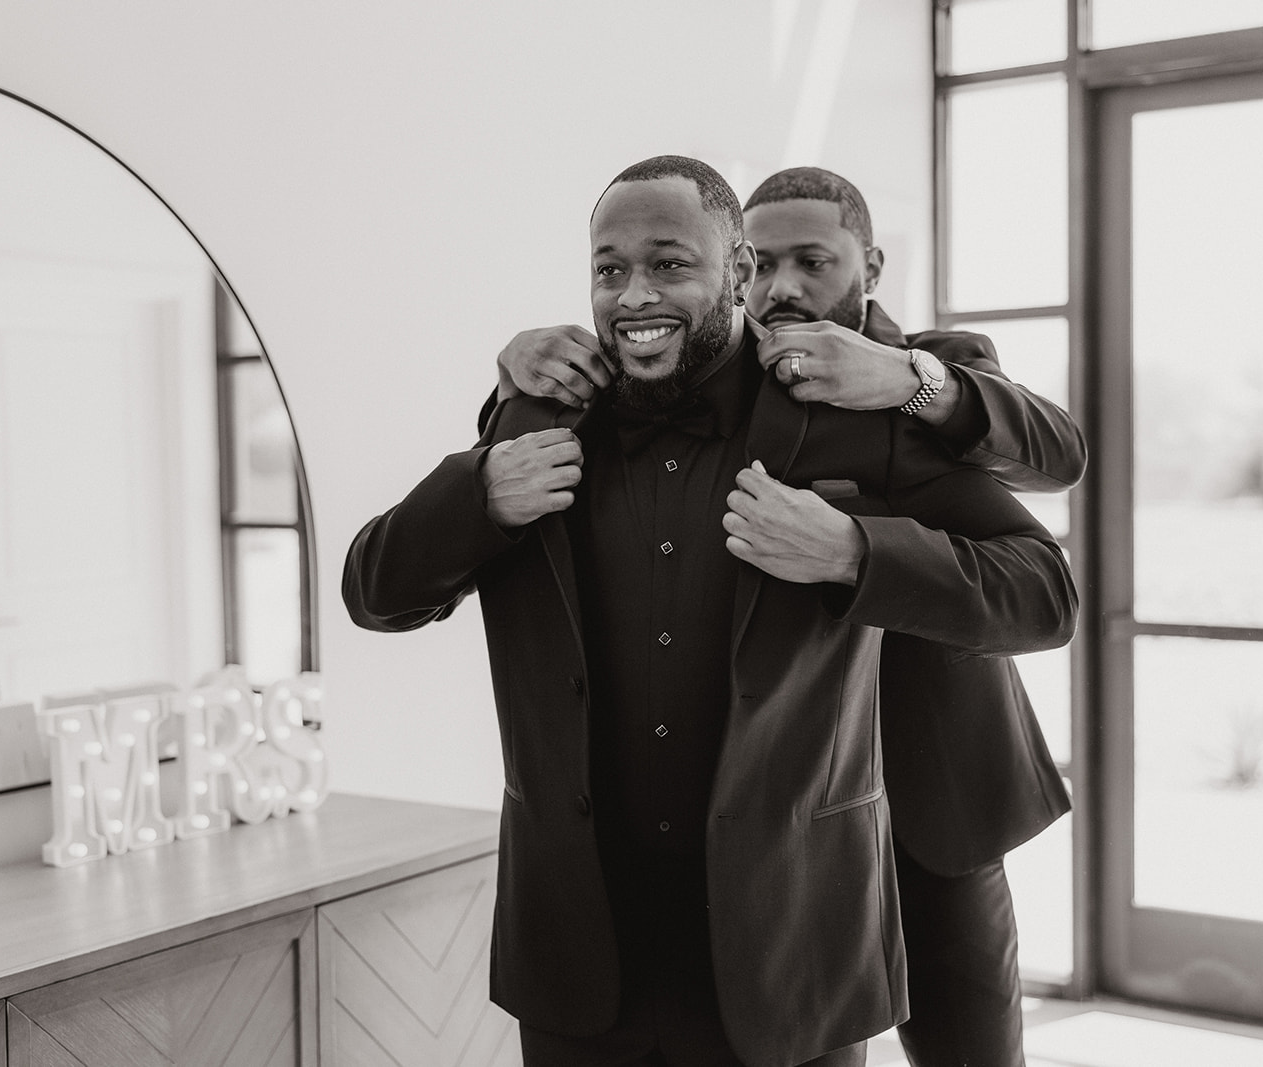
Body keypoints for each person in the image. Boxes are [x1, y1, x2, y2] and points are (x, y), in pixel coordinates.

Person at [345, 156, 1077, 1067]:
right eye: (609, 270)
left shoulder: (862, 400)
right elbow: (375, 592)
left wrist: (856, 551)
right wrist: (477, 495)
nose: (633, 292)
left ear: (733, 274)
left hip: (799, 935)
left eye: (667, 264)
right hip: (582, 954)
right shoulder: (541, 413)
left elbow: (1045, 586)